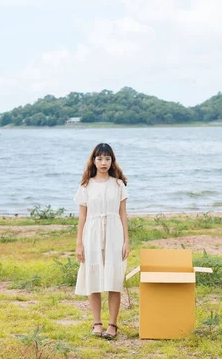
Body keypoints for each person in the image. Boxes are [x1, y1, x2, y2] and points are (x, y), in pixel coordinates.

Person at [74, 143, 129, 340]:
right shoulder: (86, 185)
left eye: (107, 159)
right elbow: (82, 217)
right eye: (100, 159)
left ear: (112, 160)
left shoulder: (118, 184)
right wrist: (79, 243)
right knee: (93, 277)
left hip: (115, 233)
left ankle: (112, 325)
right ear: (94, 161)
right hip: (92, 233)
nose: (103, 162)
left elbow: (123, 214)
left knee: (114, 279)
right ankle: (97, 323)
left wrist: (126, 241)